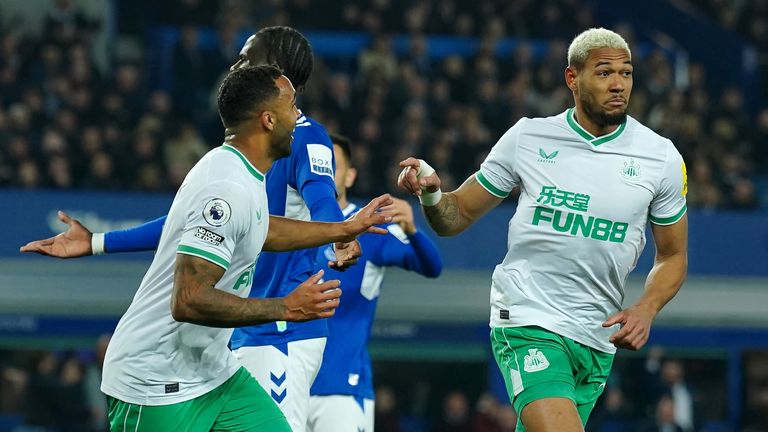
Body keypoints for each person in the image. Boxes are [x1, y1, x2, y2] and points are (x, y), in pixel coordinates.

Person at [20, 27, 355, 432]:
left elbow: (316, 197)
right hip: (193, 356)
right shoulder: (232, 166)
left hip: (270, 336)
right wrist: (98, 241)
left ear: (273, 75)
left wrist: (340, 230)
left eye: (248, 58)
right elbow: (193, 238)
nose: (236, 64)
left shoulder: (304, 138)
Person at [397, 27, 688, 432]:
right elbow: (456, 215)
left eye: (626, 73)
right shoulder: (528, 138)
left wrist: (647, 306)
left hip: (597, 337)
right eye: (604, 73)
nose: (618, 84)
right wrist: (432, 195)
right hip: (528, 318)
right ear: (573, 78)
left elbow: (673, 255)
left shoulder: (661, 157)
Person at [306, 133, 443, 432]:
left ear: (351, 176)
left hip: (343, 388)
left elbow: (432, 267)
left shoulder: (368, 225)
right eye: (315, 165)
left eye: (332, 166)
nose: (322, 174)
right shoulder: (289, 228)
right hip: (286, 380)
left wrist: (412, 229)